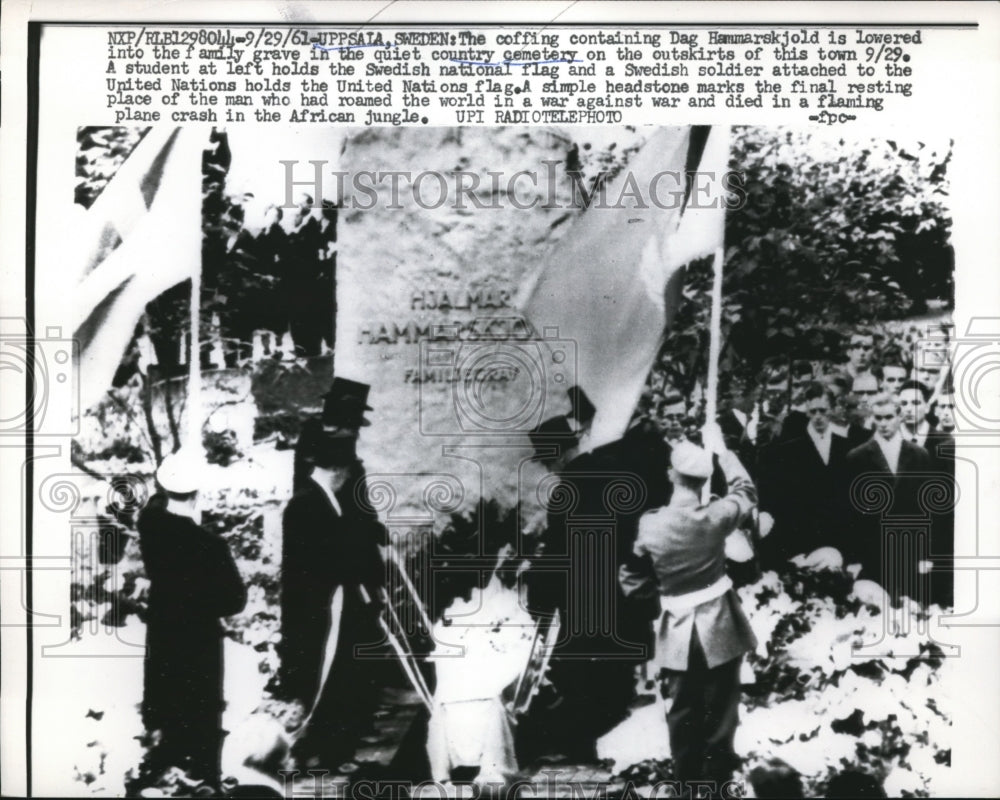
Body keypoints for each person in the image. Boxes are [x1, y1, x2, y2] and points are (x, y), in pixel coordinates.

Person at [619, 436, 758, 797]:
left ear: (671, 474)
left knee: (681, 719)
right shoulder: (717, 515)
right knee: (721, 721)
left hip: (675, 632)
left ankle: (685, 792)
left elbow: (631, 579)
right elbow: (746, 491)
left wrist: (662, 601)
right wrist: (724, 452)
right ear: (703, 480)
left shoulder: (650, 525)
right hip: (721, 630)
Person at [137, 449, 247, 789]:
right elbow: (235, 600)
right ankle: (204, 780)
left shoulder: (151, 525)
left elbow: (155, 504)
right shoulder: (209, 545)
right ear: (198, 493)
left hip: (163, 635)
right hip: (198, 642)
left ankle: (164, 780)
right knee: (201, 715)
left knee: (165, 709)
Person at [279, 433, 386, 771]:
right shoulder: (307, 503)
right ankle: (315, 751)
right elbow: (319, 560)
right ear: (339, 470)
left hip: (333, 603)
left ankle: (330, 751)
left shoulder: (322, 499)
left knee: (338, 677)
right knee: (320, 678)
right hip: (319, 607)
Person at [844, 393, 933, 605]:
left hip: (909, 552)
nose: (883, 423)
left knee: (912, 614)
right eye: (878, 418)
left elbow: (928, 510)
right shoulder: (857, 457)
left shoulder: (919, 455)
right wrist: (853, 558)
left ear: (900, 416)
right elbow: (850, 513)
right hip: (872, 552)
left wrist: (926, 555)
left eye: (889, 417)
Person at [757, 384, 851, 565]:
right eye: (812, 411)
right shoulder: (787, 450)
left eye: (822, 410)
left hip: (837, 536)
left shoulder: (845, 447)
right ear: (806, 411)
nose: (817, 416)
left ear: (832, 410)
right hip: (801, 539)